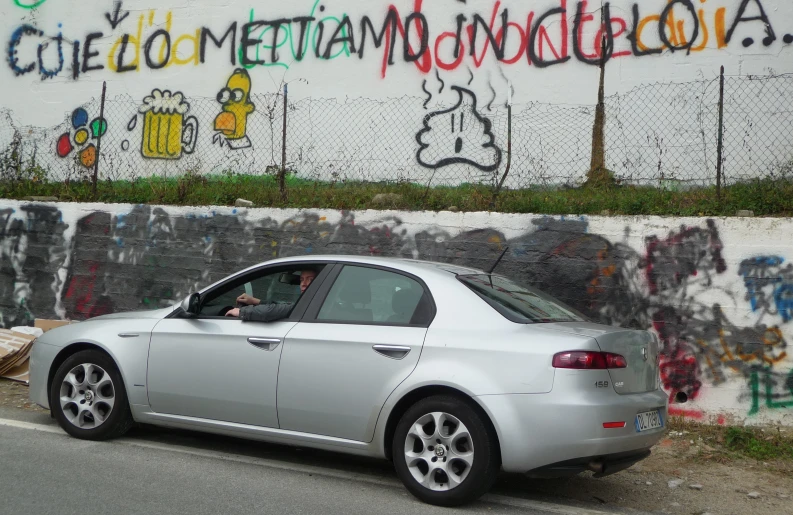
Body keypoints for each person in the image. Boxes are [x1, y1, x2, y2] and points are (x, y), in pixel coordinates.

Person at [224, 269, 317, 322]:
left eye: (310, 279)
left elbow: (270, 312)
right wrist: (256, 301)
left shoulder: (312, 304)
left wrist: (241, 312)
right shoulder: (313, 302)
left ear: (319, 282)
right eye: (301, 279)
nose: (303, 283)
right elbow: (285, 306)